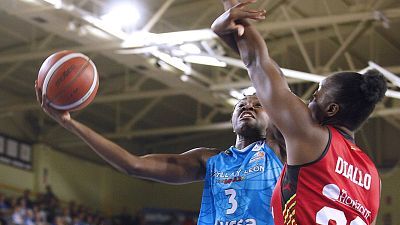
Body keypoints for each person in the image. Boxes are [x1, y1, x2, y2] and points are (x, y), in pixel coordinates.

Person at [211, 1, 386, 225]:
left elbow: (258, 63)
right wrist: (227, 32)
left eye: (317, 96)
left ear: (331, 110)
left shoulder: (312, 137)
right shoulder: (373, 176)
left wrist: (233, 9)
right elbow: (272, 76)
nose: (310, 100)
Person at [35, 76, 285, 225]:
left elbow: (277, 90)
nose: (248, 107)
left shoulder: (283, 149)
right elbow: (132, 165)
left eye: (258, 105)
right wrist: (69, 123)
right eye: (241, 104)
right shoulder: (209, 160)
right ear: (231, 120)